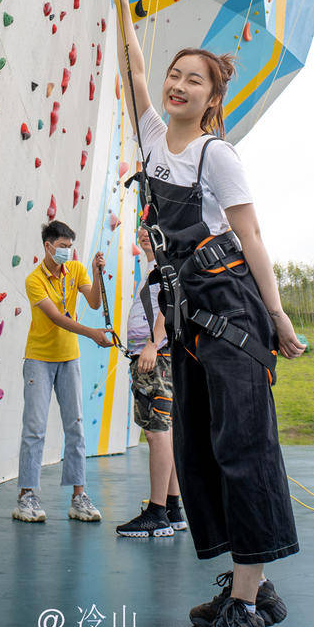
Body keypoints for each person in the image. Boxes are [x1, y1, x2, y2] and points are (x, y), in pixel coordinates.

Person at [108, 0, 306, 627]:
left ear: (214, 96)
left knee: (243, 449)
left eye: (194, 79)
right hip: (186, 315)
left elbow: (251, 239)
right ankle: (252, 581)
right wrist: (122, 5)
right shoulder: (156, 141)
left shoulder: (218, 157)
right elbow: (131, 69)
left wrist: (277, 317)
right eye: (174, 75)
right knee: (198, 454)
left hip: (232, 313)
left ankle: (247, 611)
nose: (176, 84)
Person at [12, 219, 114, 525]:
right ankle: (26, 497)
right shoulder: (34, 280)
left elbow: (95, 302)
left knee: (76, 427)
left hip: (69, 359)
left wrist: (95, 274)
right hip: (39, 359)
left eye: (70, 247)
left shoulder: (77, 270)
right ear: (48, 246)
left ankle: (78, 498)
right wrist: (92, 334)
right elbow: (57, 318)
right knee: (35, 428)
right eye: (62, 247)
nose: (67, 252)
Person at [116, 225, 187, 539]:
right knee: (165, 431)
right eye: (142, 229)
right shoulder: (152, 268)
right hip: (152, 355)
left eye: (152, 230)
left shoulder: (163, 266)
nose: (145, 234)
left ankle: (156, 513)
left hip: (155, 357)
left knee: (156, 433)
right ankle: (172, 507)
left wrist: (151, 345)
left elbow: (169, 306)